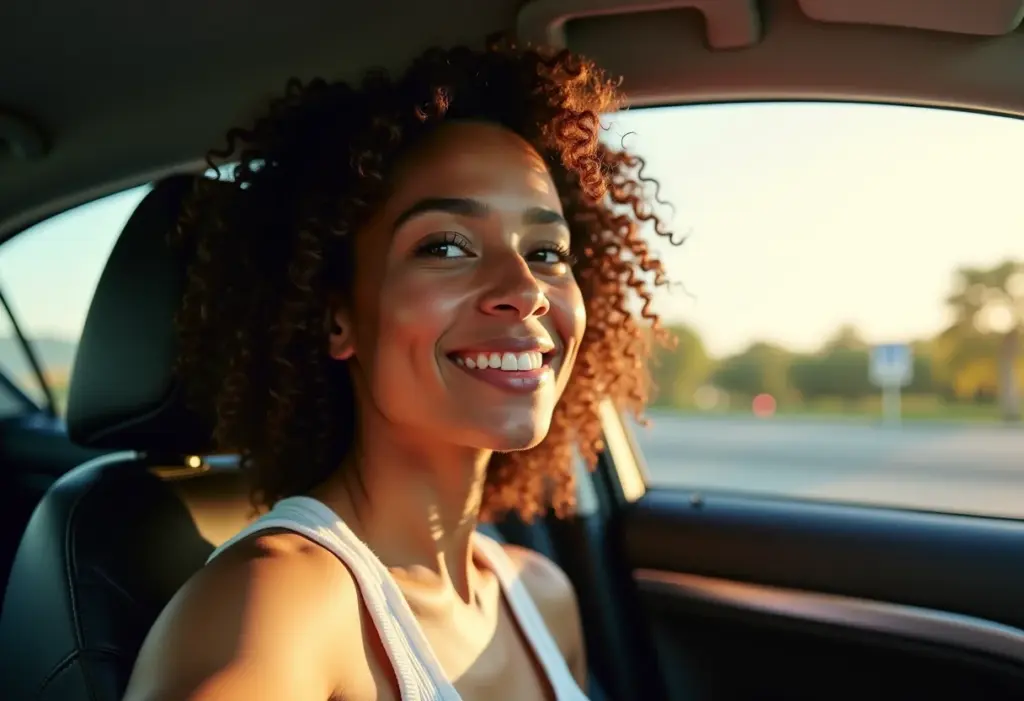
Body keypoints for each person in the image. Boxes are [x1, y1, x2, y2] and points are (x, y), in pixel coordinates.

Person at [123, 38, 675, 701]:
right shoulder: (278, 606)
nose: (525, 287)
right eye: (446, 244)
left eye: (547, 250)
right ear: (337, 317)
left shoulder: (540, 594)